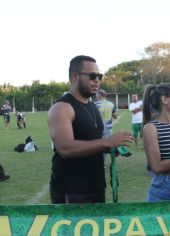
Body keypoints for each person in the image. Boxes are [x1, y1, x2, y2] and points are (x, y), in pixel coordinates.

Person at [48, 55, 133, 204]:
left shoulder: (92, 105)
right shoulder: (62, 107)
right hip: (72, 190)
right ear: (75, 76)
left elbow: (91, 141)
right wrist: (106, 143)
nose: (97, 80)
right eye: (92, 76)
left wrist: (110, 148)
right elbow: (65, 148)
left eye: (99, 76)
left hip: (96, 186)